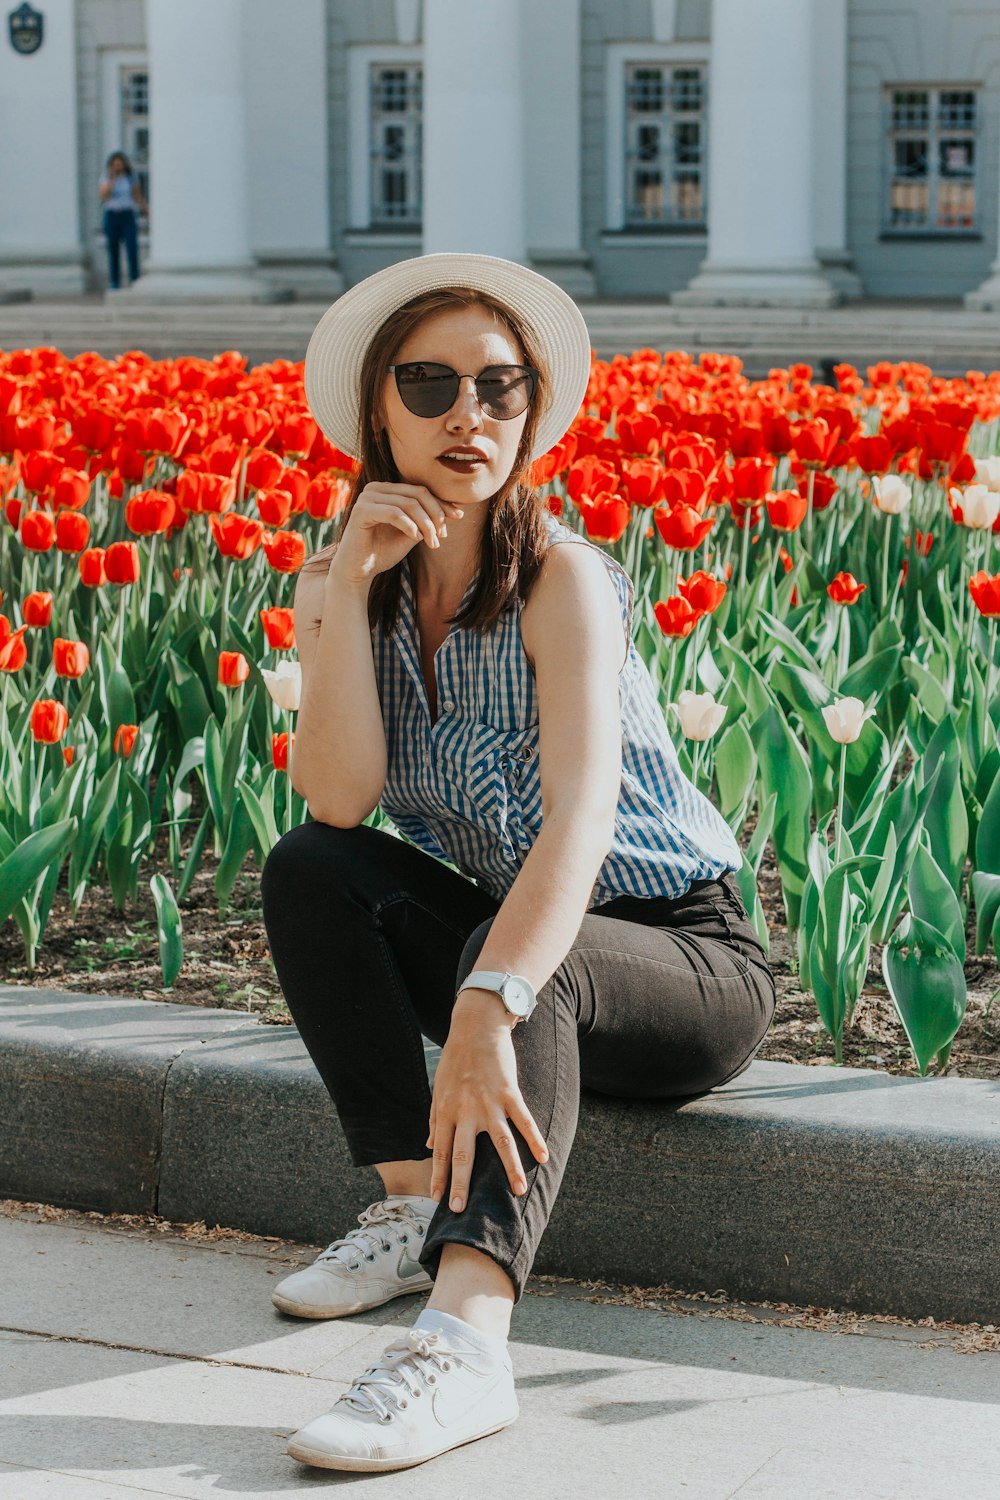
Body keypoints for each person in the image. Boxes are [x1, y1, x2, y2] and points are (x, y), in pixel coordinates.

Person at [260, 251, 777, 1474]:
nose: (465, 416)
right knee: (309, 865)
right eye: (429, 384)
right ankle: (408, 1201)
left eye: (497, 388)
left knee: (519, 971)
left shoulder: (562, 580)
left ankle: (466, 1339)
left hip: (680, 961)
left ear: (531, 413)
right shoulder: (346, 587)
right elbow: (340, 798)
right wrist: (343, 595)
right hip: (535, 930)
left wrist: (490, 1001)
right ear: (378, 408)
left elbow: (580, 824)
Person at [98, 151, 147, 289]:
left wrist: (147, 211)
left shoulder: (131, 177)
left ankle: (134, 279)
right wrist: (112, 178)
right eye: (115, 164)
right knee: (113, 249)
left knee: (132, 248)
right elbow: (103, 195)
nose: (118, 166)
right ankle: (114, 281)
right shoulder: (106, 177)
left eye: (120, 164)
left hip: (127, 215)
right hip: (112, 215)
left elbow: (137, 196)